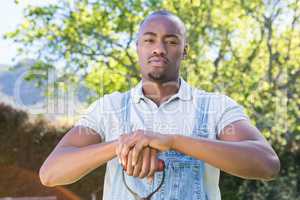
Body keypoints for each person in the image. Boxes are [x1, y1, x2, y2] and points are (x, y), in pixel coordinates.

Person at [39, 10, 280, 200]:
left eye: (171, 41)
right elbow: (50, 174)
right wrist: (124, 145)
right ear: (138, 48)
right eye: (149, 39)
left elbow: (267, 164)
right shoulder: (108, 107)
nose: (159, 49)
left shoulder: (215, 106)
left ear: (185, 51)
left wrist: (173, 141)